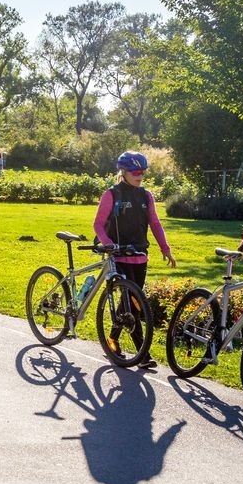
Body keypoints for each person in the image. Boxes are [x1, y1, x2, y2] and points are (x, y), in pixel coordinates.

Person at [93, 150, 176, 369]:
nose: (140, 176)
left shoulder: (146, 196)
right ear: (123, 172)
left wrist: (165, 249)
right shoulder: (112, 194)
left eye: (143, 172)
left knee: (130, 302)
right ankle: (142, 354)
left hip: (140, 256)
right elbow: (98, 224)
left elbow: (155, 223)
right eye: (135, 172)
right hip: (119, 255)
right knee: (132, 304)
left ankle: (112, 339)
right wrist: (107, 243)